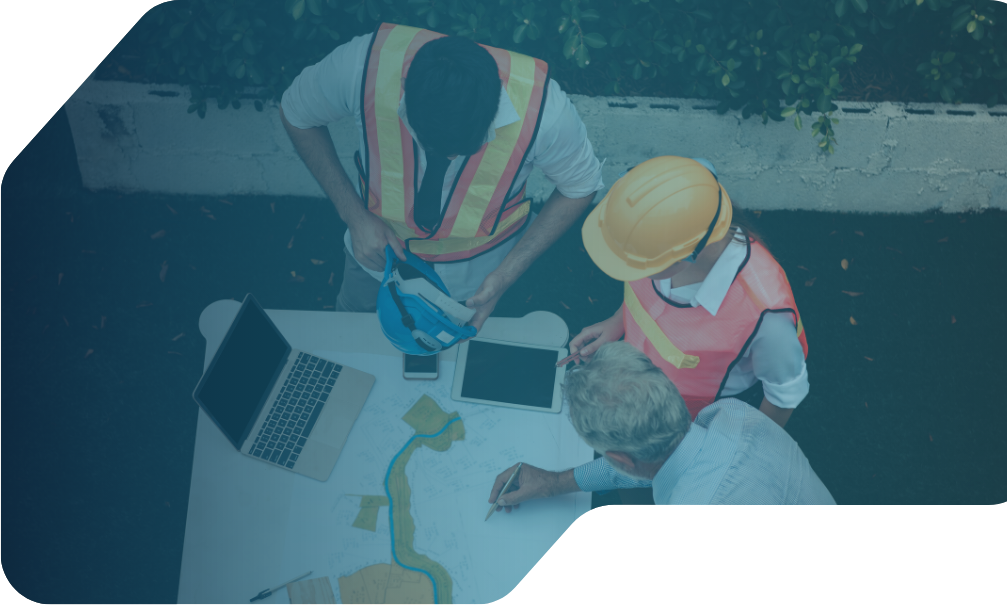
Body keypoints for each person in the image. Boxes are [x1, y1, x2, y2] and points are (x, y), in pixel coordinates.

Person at [279, 23, 604, 330]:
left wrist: (506, 274)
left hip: (479, 274)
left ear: (495, 106)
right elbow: (296, 113)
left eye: (463, 149)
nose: (446, 158)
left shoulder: (546, 112)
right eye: (431, 145)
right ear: (406, 92)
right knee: (350, 332)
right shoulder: (363, 67)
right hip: (375, 257)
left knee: (458, 358)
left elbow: (580, 185)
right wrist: (355, 218)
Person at [568, 156, 809, 429]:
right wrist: (616, 323)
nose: (631, 270)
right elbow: (644, 298)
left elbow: (785, 394)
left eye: (636, 264)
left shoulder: (766, 315)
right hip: (644, 384)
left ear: (687, 255)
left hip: (691, 416)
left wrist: (743, 449)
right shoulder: (657, 242)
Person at [486, 342, 835, 506]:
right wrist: (554, 483)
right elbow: (661, 457)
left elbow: (650, 462)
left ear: (620, 458)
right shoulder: (733, 415)